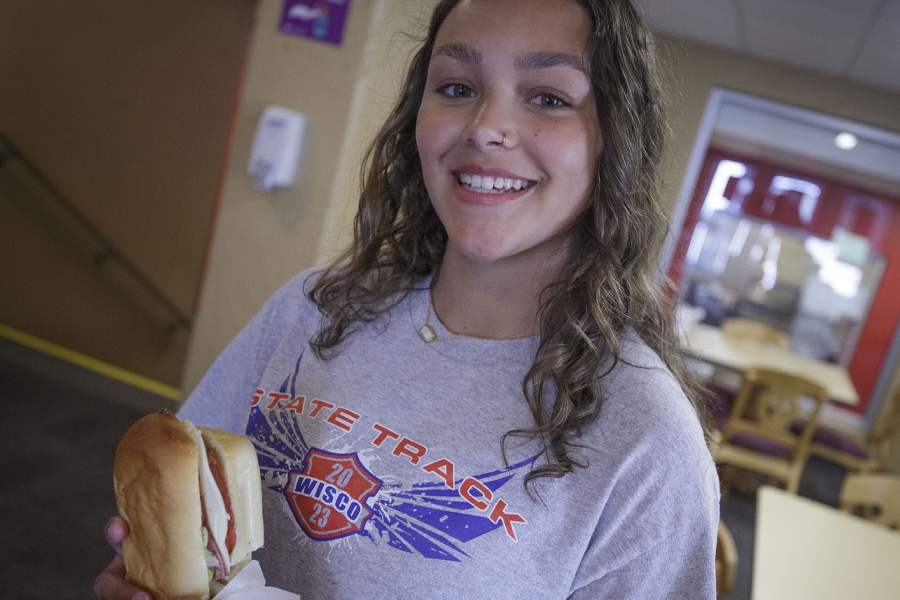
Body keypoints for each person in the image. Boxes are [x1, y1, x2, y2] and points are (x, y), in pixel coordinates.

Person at [96, 0, 719, 597]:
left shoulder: (648, 442)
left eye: (549, 98)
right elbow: (182, 519)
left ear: (614, 143)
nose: (486, 129)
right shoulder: (315, 307)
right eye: (456, 87)